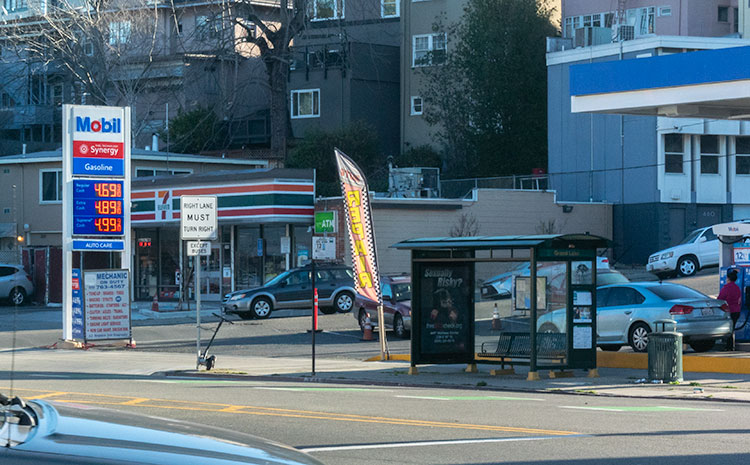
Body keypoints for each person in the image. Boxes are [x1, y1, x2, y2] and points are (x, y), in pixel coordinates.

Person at [718, 269, 742, 351]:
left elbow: (720, 299)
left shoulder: (726, 288)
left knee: (729, 330)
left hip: (729, 311)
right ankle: (730, 346)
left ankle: (729, 346)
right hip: (737, 311)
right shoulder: (737, 288)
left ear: (728, 278)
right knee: (732, 328)